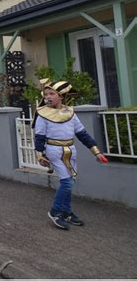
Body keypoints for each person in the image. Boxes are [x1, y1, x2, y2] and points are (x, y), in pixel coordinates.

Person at [33, 78, 108, 230]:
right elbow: (39, 136)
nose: (47, 96)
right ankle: (55, 212)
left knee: (70, 182)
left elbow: (82, 134)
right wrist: (40, 155)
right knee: (66, 182)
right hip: (54, 151)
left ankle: (66, 212)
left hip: (71, 150)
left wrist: (96, 152)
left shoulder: (71, 113)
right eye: (46, 94)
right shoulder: (42, 113)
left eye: (51, 93)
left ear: (61, 96)